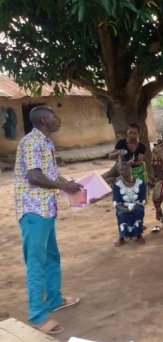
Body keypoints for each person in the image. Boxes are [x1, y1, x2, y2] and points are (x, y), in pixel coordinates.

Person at [14, 106, 82, 334]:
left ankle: (53, 299)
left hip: (46, 209)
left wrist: (70, 185)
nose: (58, 119)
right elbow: (34, 176)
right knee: (36, 263)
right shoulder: (32, 142)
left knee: (52, 256)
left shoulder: (46, 142)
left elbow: (50, 173)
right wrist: (64, 186)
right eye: (54, 115)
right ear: (44, 120)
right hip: (33, 211)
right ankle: (37, 315)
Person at [113, 161, 147, 246]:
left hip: (137, 205)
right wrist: (127, 209)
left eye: (126, 168)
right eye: (121, 169)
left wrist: (135, 206)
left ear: (130, 169)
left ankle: (139, 235)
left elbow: (142, 199)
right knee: (121, 213)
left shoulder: (140, 183)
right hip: (123, 207)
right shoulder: (117, 185)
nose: (124, 171)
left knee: (139, 211)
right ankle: (121, 237)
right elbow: (117, 202)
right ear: (118, 171)